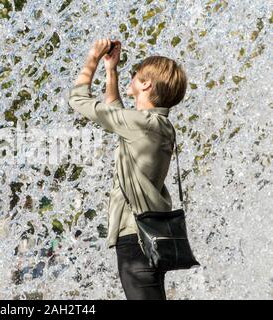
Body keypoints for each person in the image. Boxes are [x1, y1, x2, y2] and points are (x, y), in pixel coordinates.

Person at [68, 38, 188, 300]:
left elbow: (78, 99)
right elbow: (116, 111)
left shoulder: (142, 124)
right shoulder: (157, 125)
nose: (131, 76)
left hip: (135, 240)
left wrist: (93, 57)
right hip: (150, 234)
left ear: (146, 84)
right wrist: (112, 70)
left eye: (135, 74)